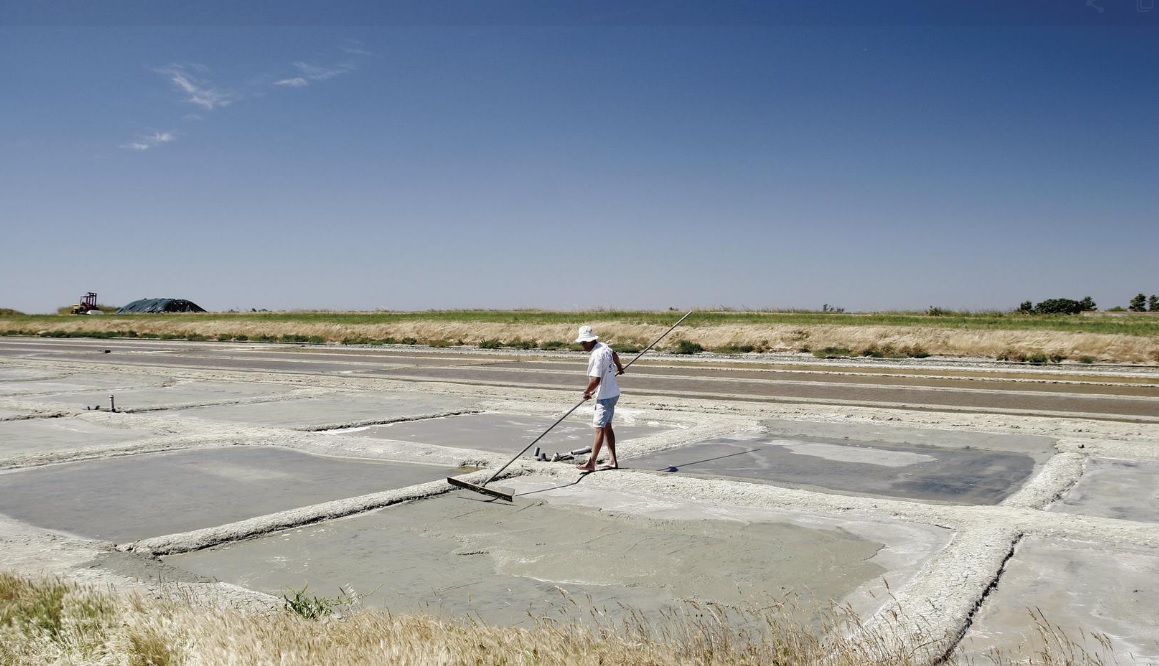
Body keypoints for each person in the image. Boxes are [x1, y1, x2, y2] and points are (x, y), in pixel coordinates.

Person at [574, 325, 625, 472]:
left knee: (598, 428)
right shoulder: (604, 347)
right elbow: (614, 354)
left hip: (605, 396)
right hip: (613, 393)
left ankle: (591, 462)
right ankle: (612, 461)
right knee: (607, 427)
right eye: (581, 343)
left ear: (591, 341)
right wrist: (619, 367)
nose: (582, 346)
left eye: (584, 343)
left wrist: (586, 392)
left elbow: (595, 380)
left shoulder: (596, 355)